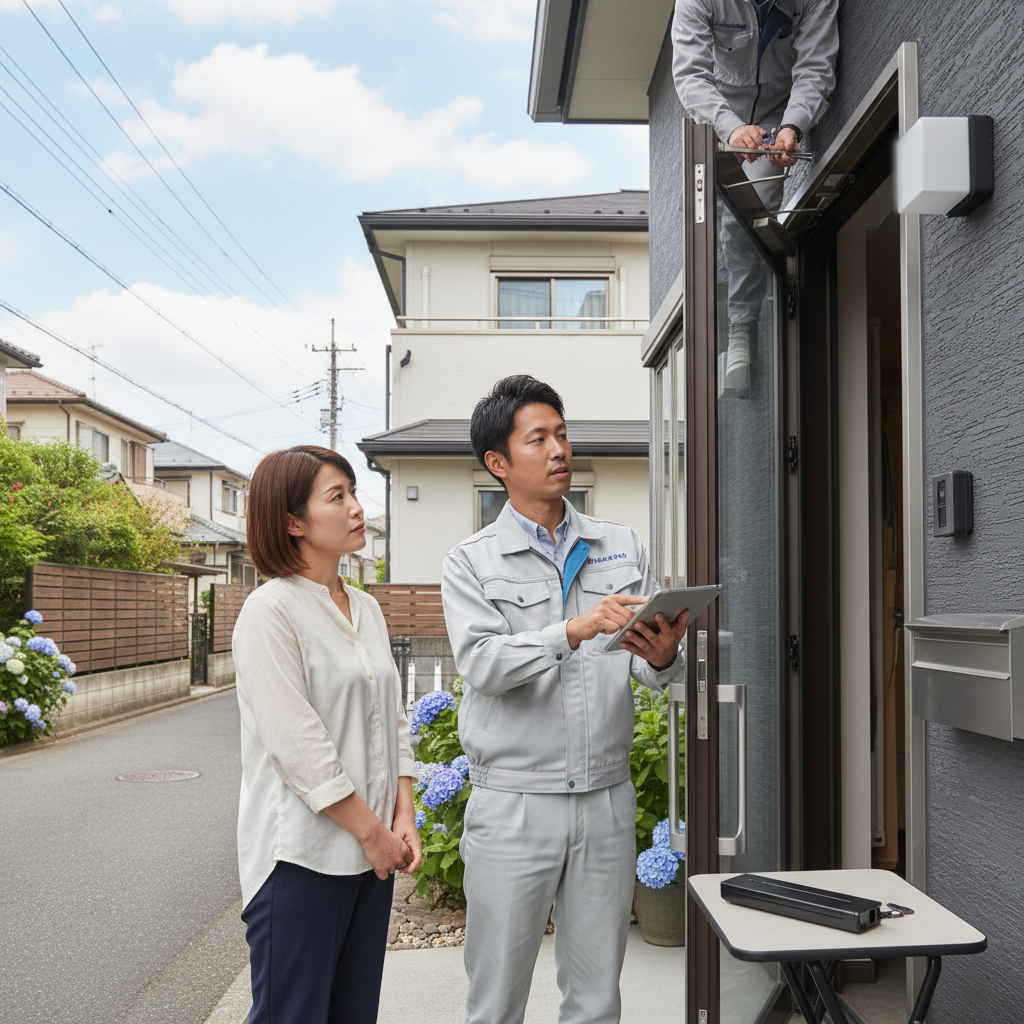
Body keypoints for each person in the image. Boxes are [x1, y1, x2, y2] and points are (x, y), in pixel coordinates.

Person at [441, 376, 688, 1024]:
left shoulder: (622, 546)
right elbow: (483, 664)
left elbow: (649, 669)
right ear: (498, 463)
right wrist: (572, 629)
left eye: (563, 433)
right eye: (539, 438)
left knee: (597, 999)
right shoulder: (471, 562)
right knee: (496, 1001)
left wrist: (663, 660)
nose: (559, 449)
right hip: (516, 804)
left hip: (606, 801)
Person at [233, 445, 421, 1024]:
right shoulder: (271, 611)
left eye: (354, 492)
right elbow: (299, 747)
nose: (356, 508)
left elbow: (392, 716)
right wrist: (373, 833)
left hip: (373, 856)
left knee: (351, 1014)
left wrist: (403, 816)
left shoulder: (364, 606)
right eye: (336, 496)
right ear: (293, 522)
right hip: (301, 860)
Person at [673, 0, 839, 394]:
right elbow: (691, 74)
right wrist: (729, 127)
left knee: (748, 216)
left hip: (779, 115)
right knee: (714, 228)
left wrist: (794, 125)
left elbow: (816, 65)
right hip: (719, 115)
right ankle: (723, 337)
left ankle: (744, 330)